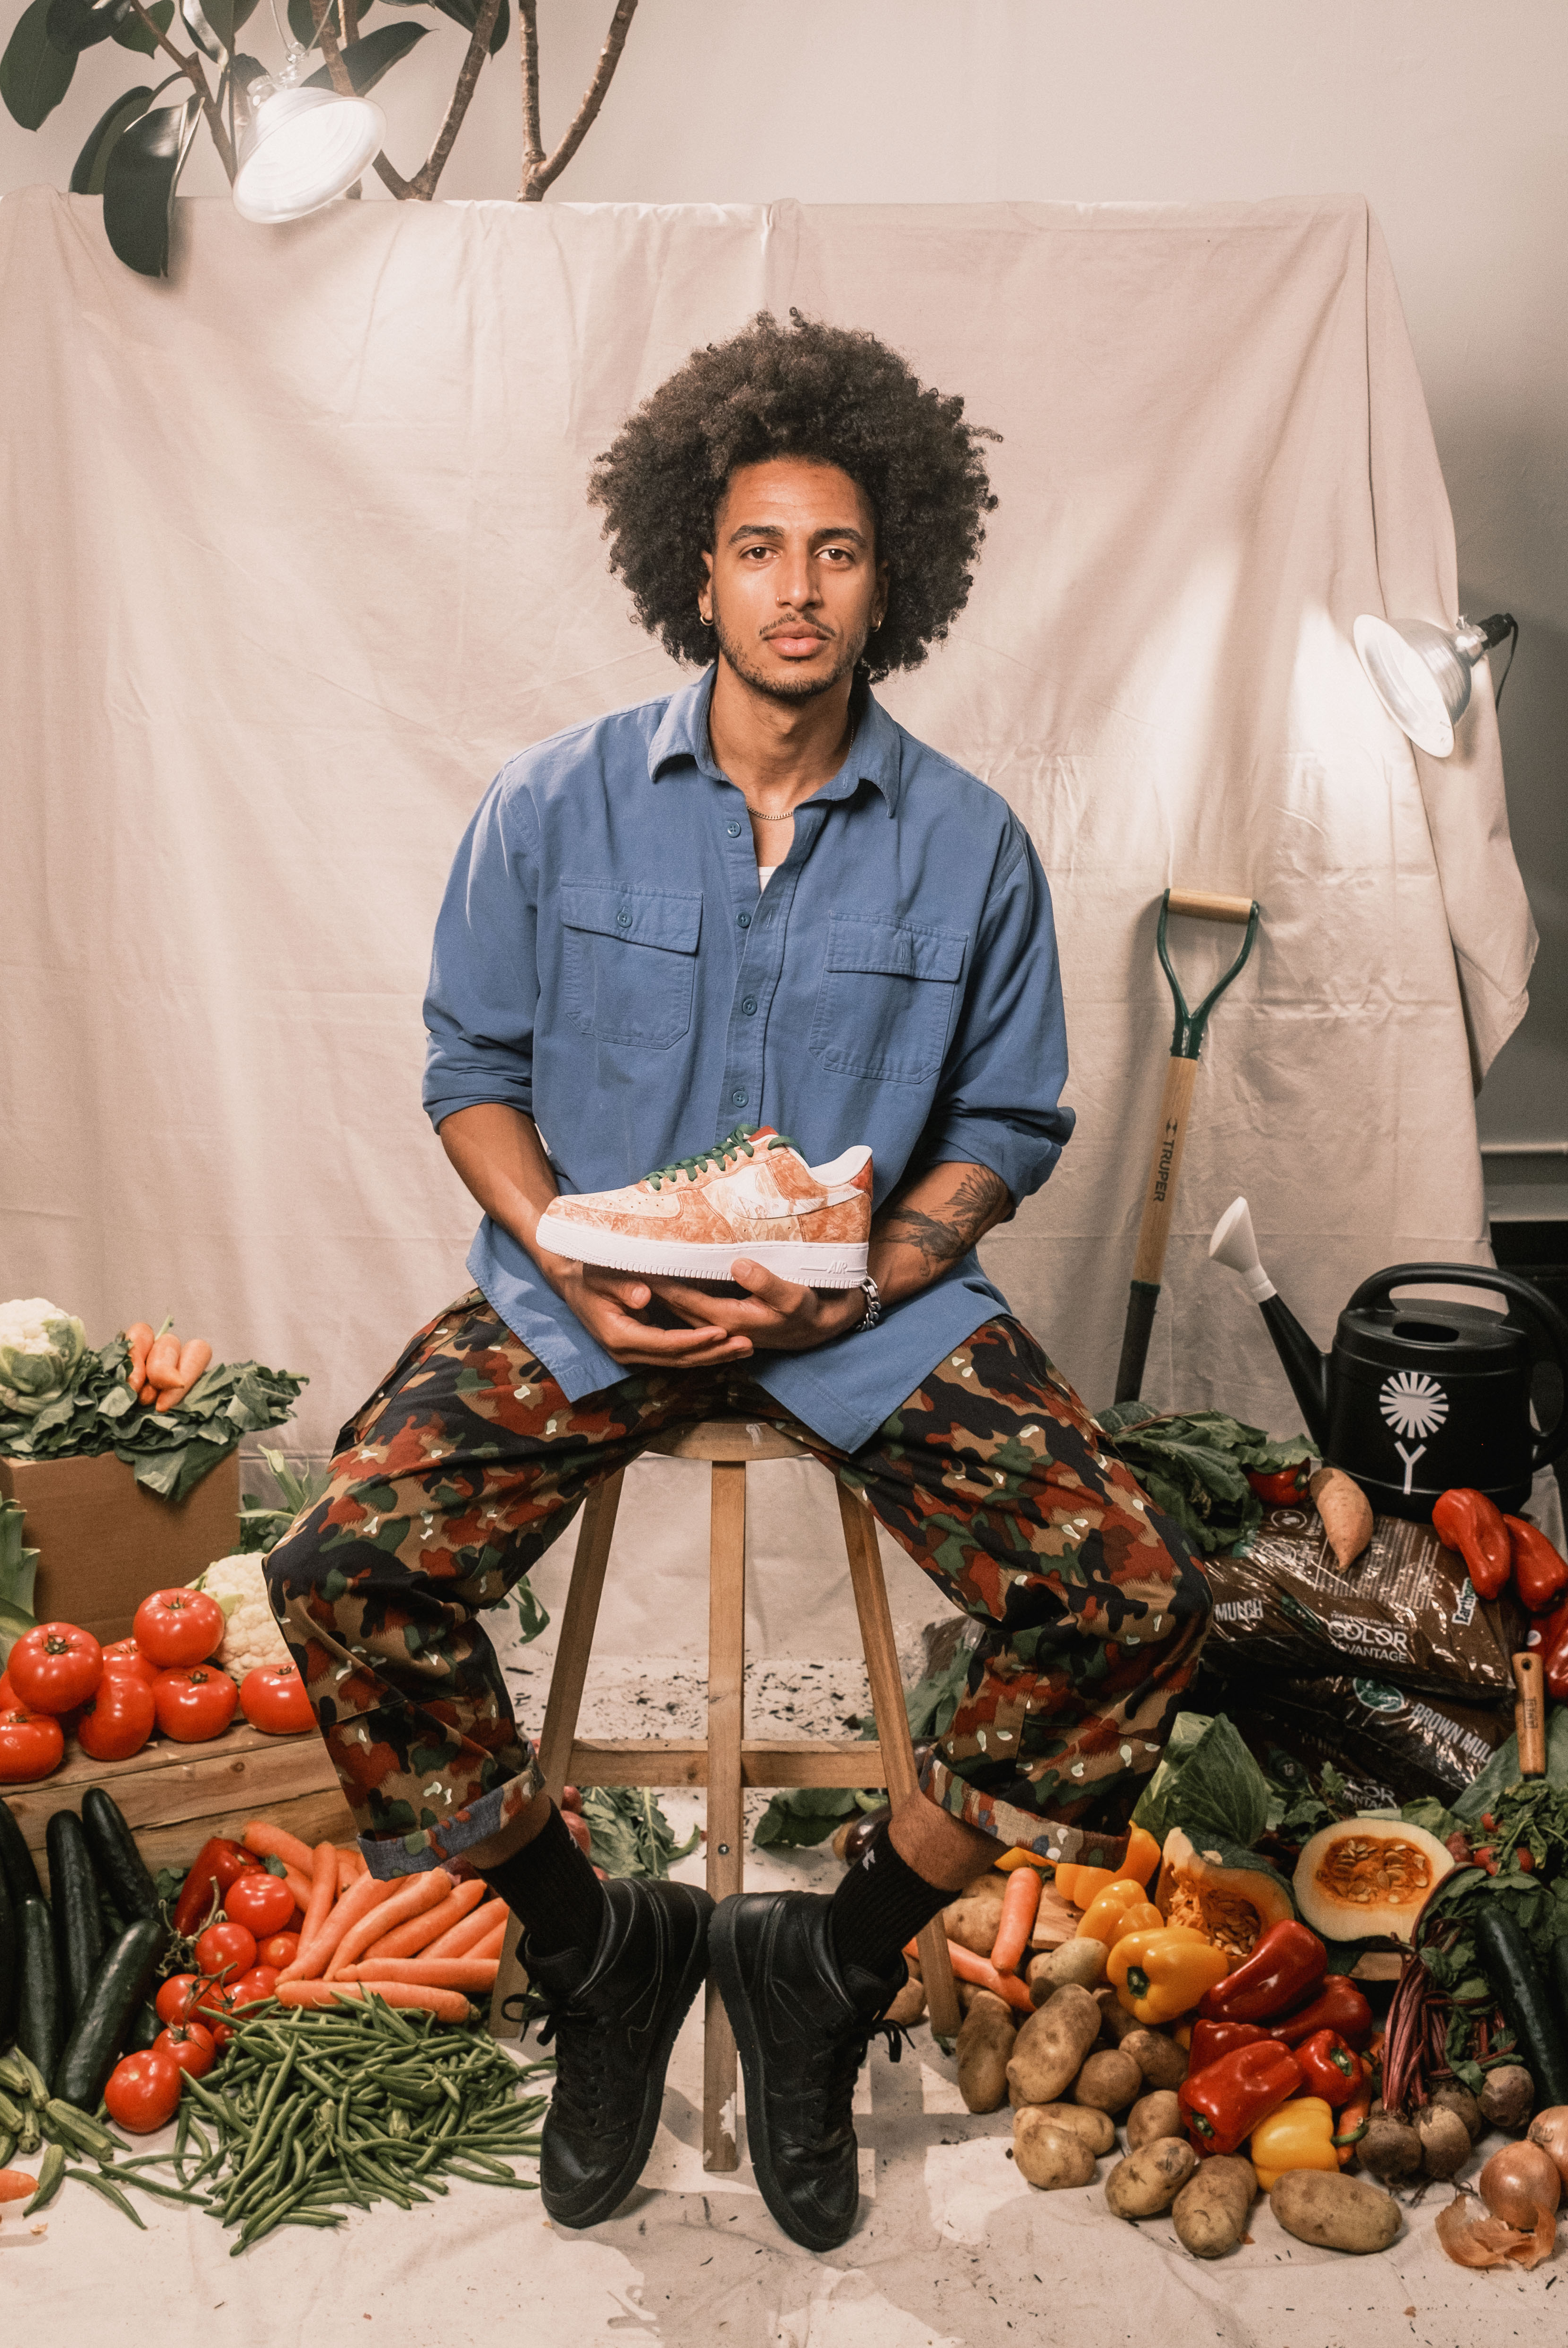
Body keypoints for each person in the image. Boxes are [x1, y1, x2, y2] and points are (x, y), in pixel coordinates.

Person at [265, 312, 1208, 2254]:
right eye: (760, 549)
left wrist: (882, 1272)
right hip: (584, 1305)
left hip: (865, 1322)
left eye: (836, 552)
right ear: (693, 571)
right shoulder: (551, 803)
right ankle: (594, 1948)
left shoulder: (969, 843)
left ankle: (823, 1965)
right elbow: (470, 1071)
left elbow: (1005, 1117)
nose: (796, 589)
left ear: (891, 578)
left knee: (1133, 1596)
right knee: (343, 1564)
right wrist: (564, 1248)